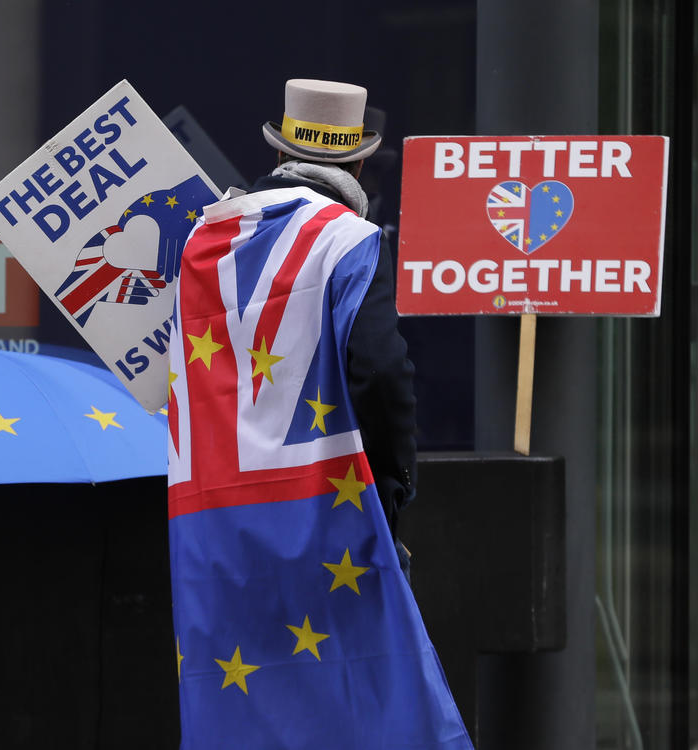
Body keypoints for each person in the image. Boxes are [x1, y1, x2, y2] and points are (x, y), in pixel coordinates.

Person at [165, 79, 471, 749]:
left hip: (209, 526)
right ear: (361, 164)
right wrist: (391, 496)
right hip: (323, 514)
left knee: (242, 714)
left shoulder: (200, 244)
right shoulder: (349, 240)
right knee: (365, 708)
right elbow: (383, 372)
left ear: (275, 148)